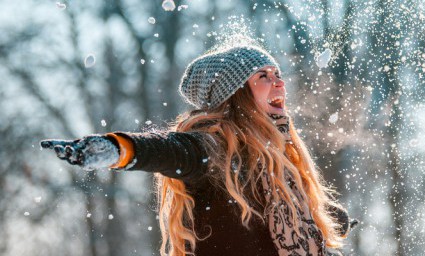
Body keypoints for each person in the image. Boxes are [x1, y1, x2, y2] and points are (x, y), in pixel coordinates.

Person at [41, 42, 356, 256]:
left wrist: (328, 219)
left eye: (278, 75)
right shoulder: (215, 148)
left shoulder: (278, 162)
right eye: (263, 76)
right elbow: (169, 150)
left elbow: (282, 212)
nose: (279, 83)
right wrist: (117, 148)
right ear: (236, 93)